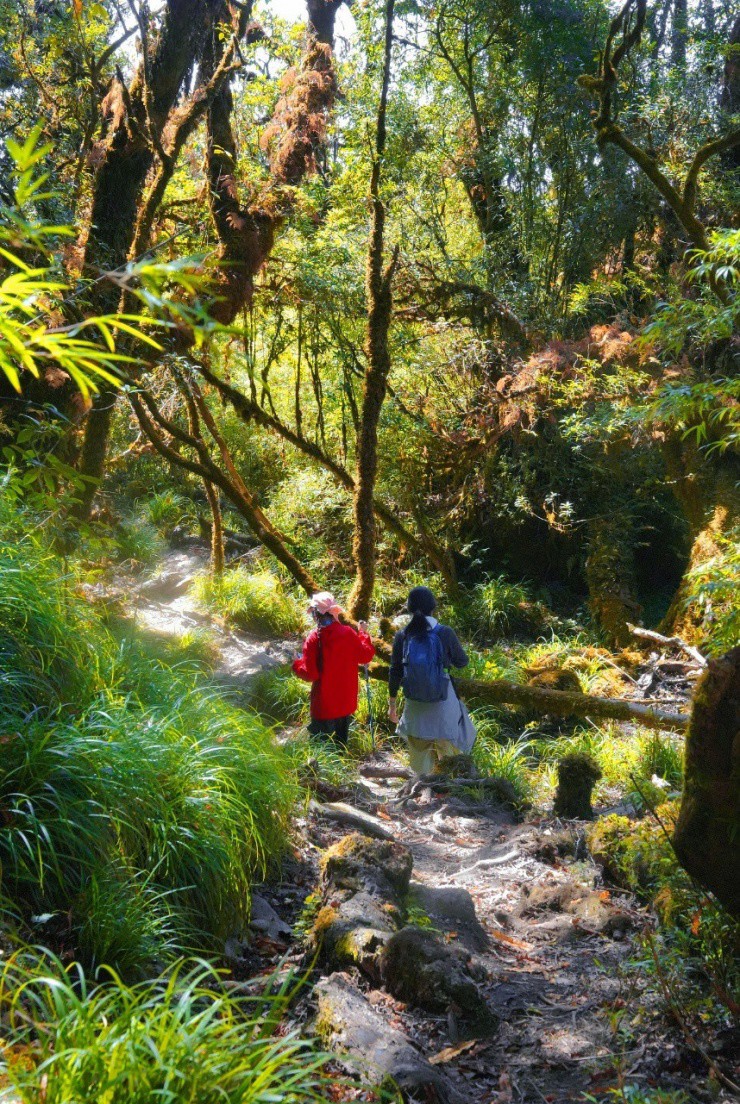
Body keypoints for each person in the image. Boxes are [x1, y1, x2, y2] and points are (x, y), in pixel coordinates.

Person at [388, 586, 475, 775]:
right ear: (433, 607)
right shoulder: (445, 632)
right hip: (443, 702)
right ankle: (446, 790)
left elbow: (395, 671)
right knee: (449, 754)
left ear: (410, 608)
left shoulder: (403, 635)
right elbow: (462, 661)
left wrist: (392, 705)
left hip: (415, 706)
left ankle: (421, 793)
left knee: (419, 756)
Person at [293, 591, 375, 745]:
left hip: (324, 705)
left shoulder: (313, 638)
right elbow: (365, 656)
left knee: (320, 751)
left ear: (316, 614)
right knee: (340, 746)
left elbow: (311, 674)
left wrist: (297, 663)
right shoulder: (348, 633)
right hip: (345, 704)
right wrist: (363, 634)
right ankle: (344, 768)